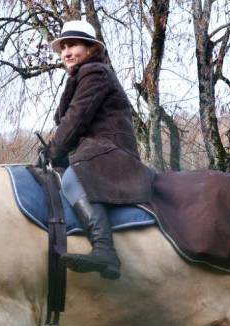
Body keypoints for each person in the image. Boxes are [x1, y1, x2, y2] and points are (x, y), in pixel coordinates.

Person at [46, 20, 154, 280]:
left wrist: (52, 151)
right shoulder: (81, 76)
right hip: (93, 148)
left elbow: (75, 119)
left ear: (91, 49)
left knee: (72, 178)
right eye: (63, 48)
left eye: (72, 45)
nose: (66, 52)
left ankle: (105, 249)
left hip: (109, 150)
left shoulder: (95, 73)